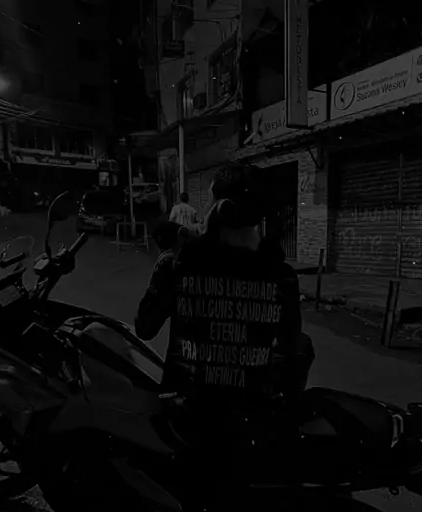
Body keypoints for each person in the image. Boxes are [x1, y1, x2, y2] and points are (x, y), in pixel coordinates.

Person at [135, 160, 314, 438]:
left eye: (209, 200)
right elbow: (290, 348)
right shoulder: (282, 276)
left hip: (183, 419)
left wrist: (171, 259)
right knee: (304, 344)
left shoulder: (178, 265)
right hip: (249, 422)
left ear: (221, 209)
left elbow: (144, 327)